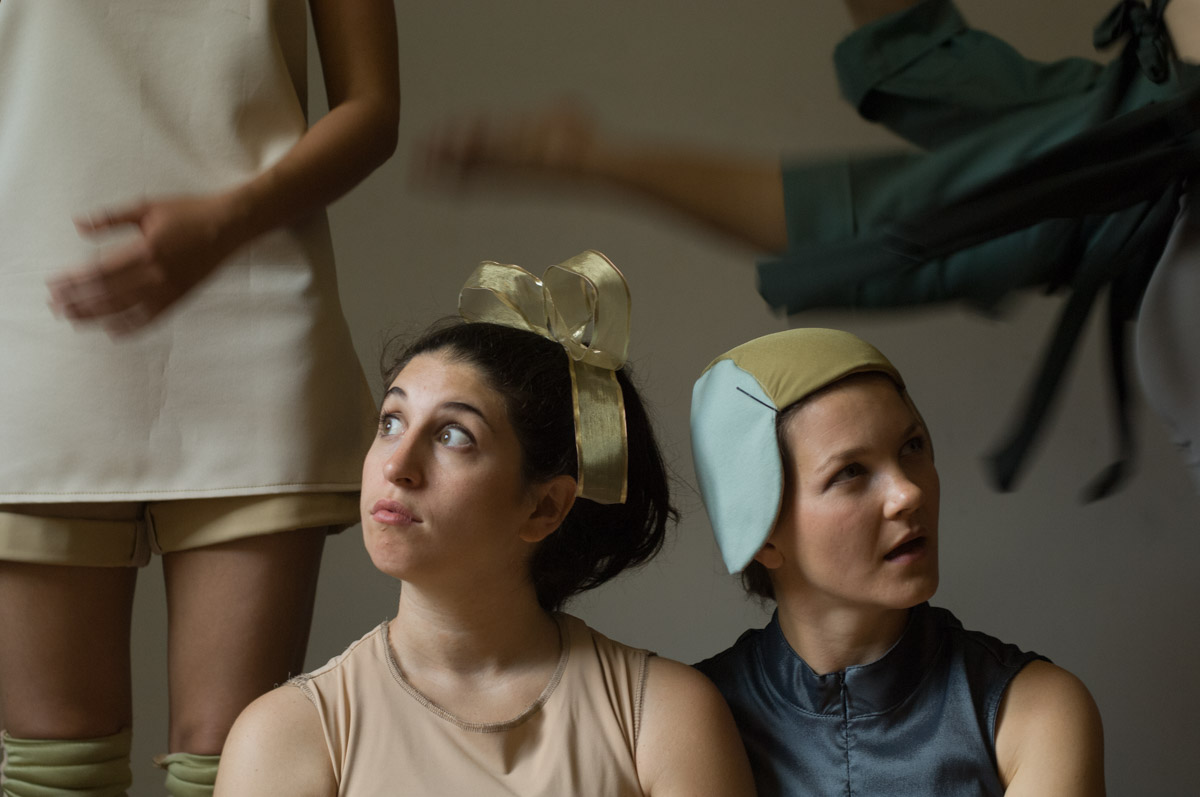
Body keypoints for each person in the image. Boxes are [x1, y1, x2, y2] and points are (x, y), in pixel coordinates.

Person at [416, 0, 1200, 496]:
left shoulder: (1152, 138)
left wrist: (598, 163)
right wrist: (598, 162)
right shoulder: (1144, 117)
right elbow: (917, 105)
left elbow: (895, 212)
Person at [0, 1, 398, 795]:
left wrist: (226, 221)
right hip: (30, 312)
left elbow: (371, 108)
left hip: (253, 302)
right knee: (54, 773)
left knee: (233, 771)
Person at [213, 251, 755, 796]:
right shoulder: (286, 735)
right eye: (391, 422)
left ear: (545, 507)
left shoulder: (664, 717)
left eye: (453, 436)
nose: (396, 466)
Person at [689, 327, 1105, 796]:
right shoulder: (684, 722)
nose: (909, 492)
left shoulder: (1035, 710)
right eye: (850, 472)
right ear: (762, 536)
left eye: (912, 447)